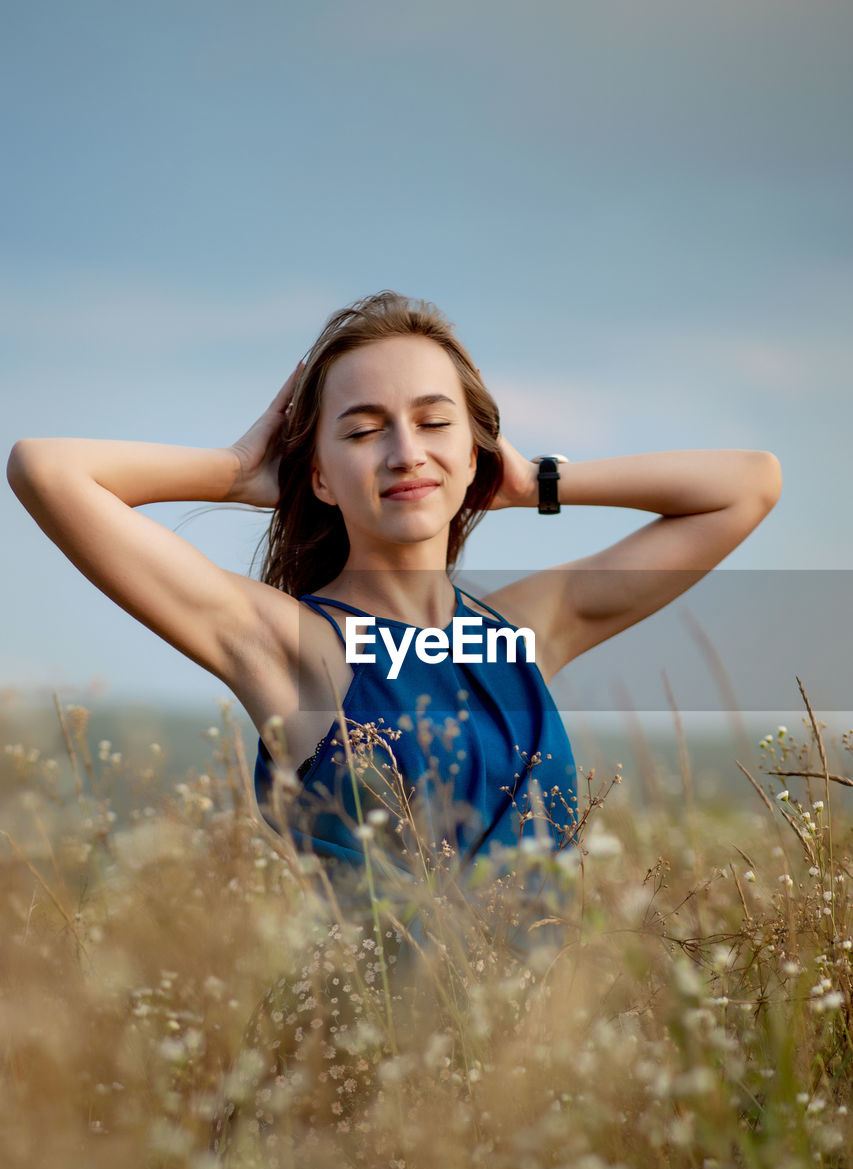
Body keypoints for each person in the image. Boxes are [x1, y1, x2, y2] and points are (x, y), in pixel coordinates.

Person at [6, 290, 782, 876]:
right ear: (316, 474)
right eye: (363, 429)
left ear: (476, 452)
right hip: (381, 1071)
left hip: (546, 1068)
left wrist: (534, 482)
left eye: (434, 422)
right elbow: (48, 470)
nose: (405, 452)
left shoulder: (524, 629)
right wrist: (239, 471)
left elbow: (748, 485)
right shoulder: (292, 645)